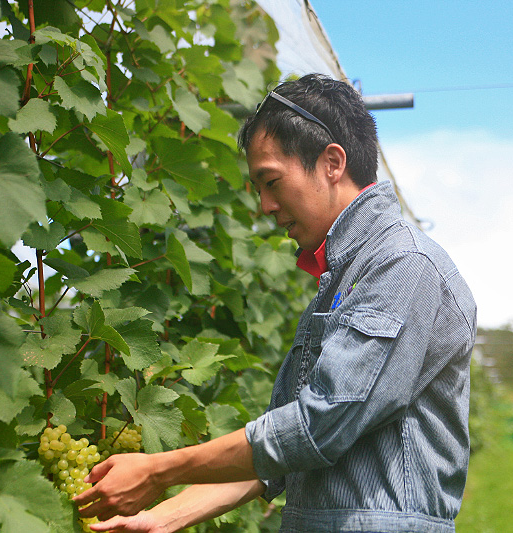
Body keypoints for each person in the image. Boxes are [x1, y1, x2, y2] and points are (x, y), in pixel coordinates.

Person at [74, 73, 477, 532]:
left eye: (271, 181)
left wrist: (157, 470)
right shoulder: (346, 278)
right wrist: (161, 518)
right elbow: (280, 451)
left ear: (331, 163)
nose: (265, 205)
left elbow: (316, 427)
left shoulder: (403, 266)